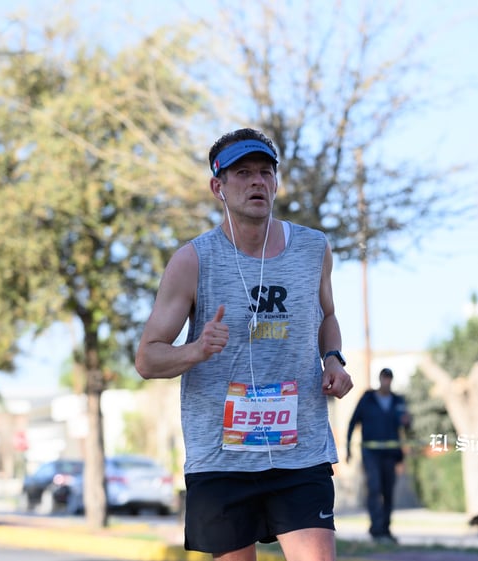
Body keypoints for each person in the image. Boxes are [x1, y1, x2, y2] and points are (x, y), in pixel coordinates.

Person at [135, 127, 354, 561]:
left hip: (300, 450)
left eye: (265, 172)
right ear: (218, 186)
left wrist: (332, 358)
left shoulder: (313, 249)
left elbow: (327, 315)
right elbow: (147, 357)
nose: (257, 181)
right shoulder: (193, 261)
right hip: (222, 457)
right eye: (243, 173)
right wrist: (195, 349)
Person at [346, 367, 411, 544]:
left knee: (388, 491)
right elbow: (353, 422)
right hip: (371, 453)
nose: (387, 381)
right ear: (380, 379)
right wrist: (348, 449)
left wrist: (407, 423)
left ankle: (386, 529)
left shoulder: (398, 401)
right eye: (384, 378)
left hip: (390, 454)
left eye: (390, 378)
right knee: (374, 489)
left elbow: (407, 427)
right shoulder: (367, 399)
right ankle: (376, 530)